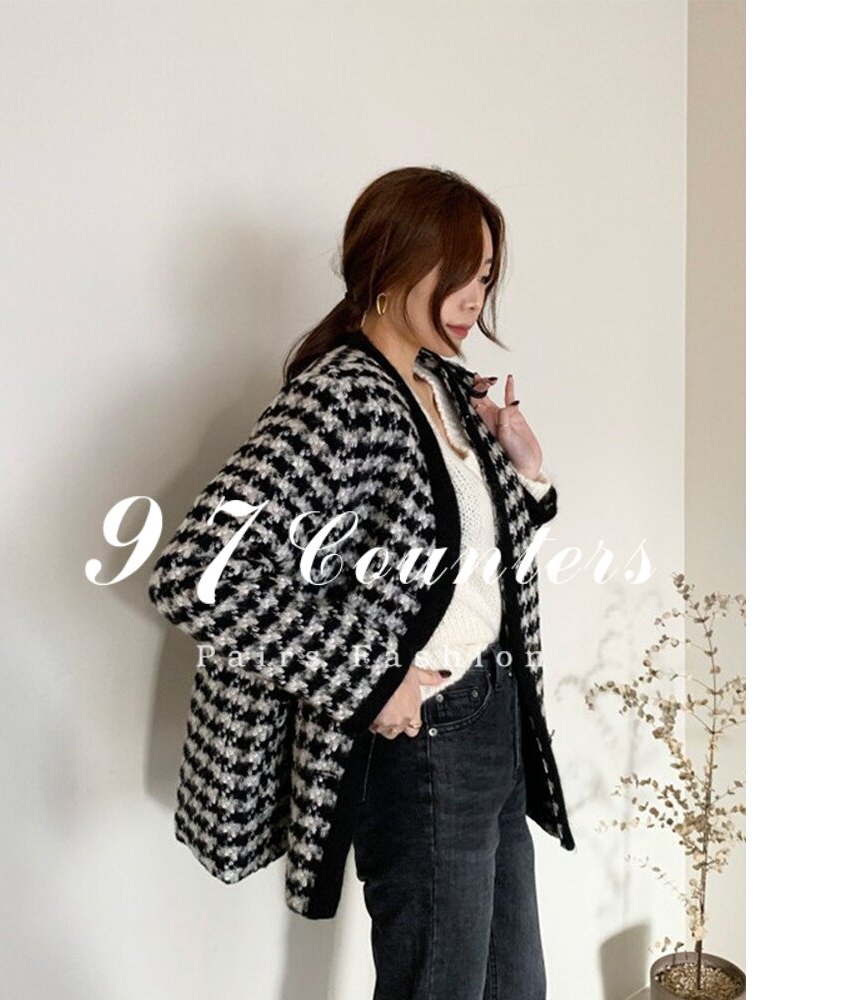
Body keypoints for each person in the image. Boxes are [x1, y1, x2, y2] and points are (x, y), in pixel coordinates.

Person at [147, 166, 574, 1000]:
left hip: (498, 712)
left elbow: (463, 558)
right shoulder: (340, 398)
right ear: (390, 263)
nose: (473, 297)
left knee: (516, 987)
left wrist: (525, 472)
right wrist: (373, 676)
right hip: (427, 740)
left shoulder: (445, 386)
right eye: (457, 272)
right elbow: (197, 575)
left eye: (486, 275)